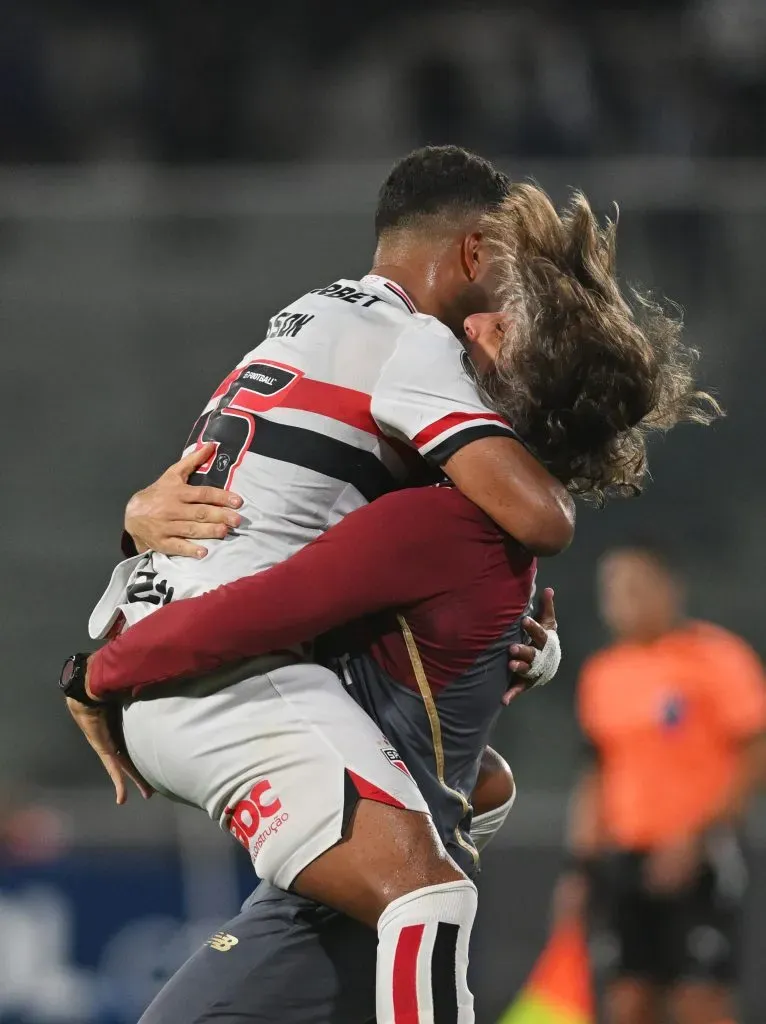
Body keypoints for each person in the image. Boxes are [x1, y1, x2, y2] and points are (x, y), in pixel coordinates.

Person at [68, 194, 716, 1022]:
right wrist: (139, 526)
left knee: (426, 895)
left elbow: (263, 606)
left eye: (503, 328)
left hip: (329, 820)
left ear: (517, 385)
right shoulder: (467, 520)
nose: (474, 325)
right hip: (373, 827)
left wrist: (98, 670)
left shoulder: (440, 519)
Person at [555, 543, 766, 1024]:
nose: (621, 600)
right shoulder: (602, 674)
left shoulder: (719, 657)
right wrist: (579, 865)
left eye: (634, 586)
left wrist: (698, 837)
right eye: (611, 589)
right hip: (625, 860)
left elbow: (754, 755)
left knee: (702, 999)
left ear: (670, 588)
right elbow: (595, 773)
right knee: (628, 1000)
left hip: (702, 856)